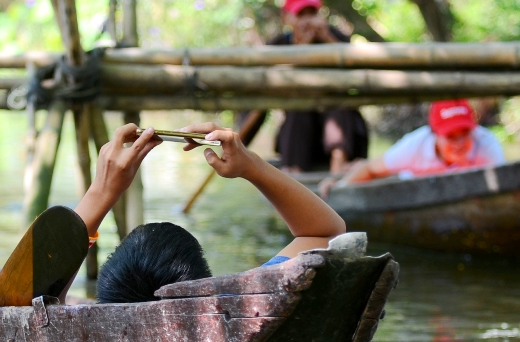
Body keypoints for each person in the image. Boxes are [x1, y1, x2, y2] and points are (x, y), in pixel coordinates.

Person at [71, 122, 346, 304]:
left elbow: (28, 299)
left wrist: (101, 192)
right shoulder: (245, 314)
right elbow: (324, 233)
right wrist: (252, 166)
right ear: (208, 291)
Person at [268, 0, 369, 173]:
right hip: (300, 137)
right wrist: (302, 50)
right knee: (299, 108)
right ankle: (295, 171)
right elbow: (270, 82)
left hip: (344, 135)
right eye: (301, 14)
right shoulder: (278, 45)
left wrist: (328, 39)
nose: (308, 20)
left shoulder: (337, 37)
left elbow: (357, 73)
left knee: (338, 104)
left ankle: (338, 165)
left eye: (312, 13)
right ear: (286, 17)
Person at [323, 99, 505, 196]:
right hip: (416, 190)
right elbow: (370, 168)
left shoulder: (486, 144)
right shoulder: (416, 145)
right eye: (450, 136)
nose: (459, 144)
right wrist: (339, 188)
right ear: (434, 134)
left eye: (464, 134)